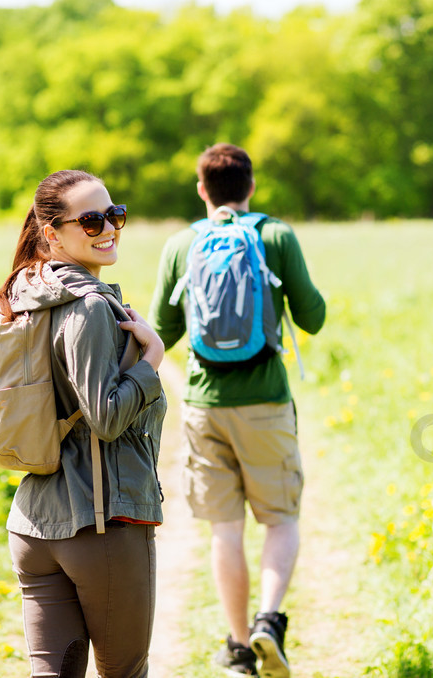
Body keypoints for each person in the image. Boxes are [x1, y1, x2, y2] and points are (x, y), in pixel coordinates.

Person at [148, 144, 325, 678]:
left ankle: (239, 647)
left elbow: (164, 330)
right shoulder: (276, 235)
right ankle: (269, 620)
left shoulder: (182, 244)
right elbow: (313, 318)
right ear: (251, 186)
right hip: (267, 402)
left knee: (225, 530)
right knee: (281, 519)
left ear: (202, 189)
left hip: (205, 406)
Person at [0, 169, 167, 678]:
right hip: (100, 527)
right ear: (52, 233)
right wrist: (152, 359)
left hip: (33, 525)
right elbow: (105, 417)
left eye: (115, 214)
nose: (108, 228)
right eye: (90, 220)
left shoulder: (19, 298)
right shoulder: (86, 307)